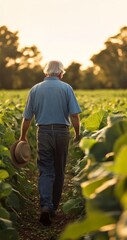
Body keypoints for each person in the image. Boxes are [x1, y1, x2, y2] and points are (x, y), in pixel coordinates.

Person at [19, 60, 81, 226]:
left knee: (45, 169)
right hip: (62, 132)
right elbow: (74, 115)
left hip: (44, 132)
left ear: (46, 73)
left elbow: (27, 117)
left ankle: (46, 205)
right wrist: (77, 133)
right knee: (59, 170)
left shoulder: (35, 89)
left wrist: (23, 137)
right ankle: (52, 208)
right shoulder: (66, 88)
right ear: (61, 73)